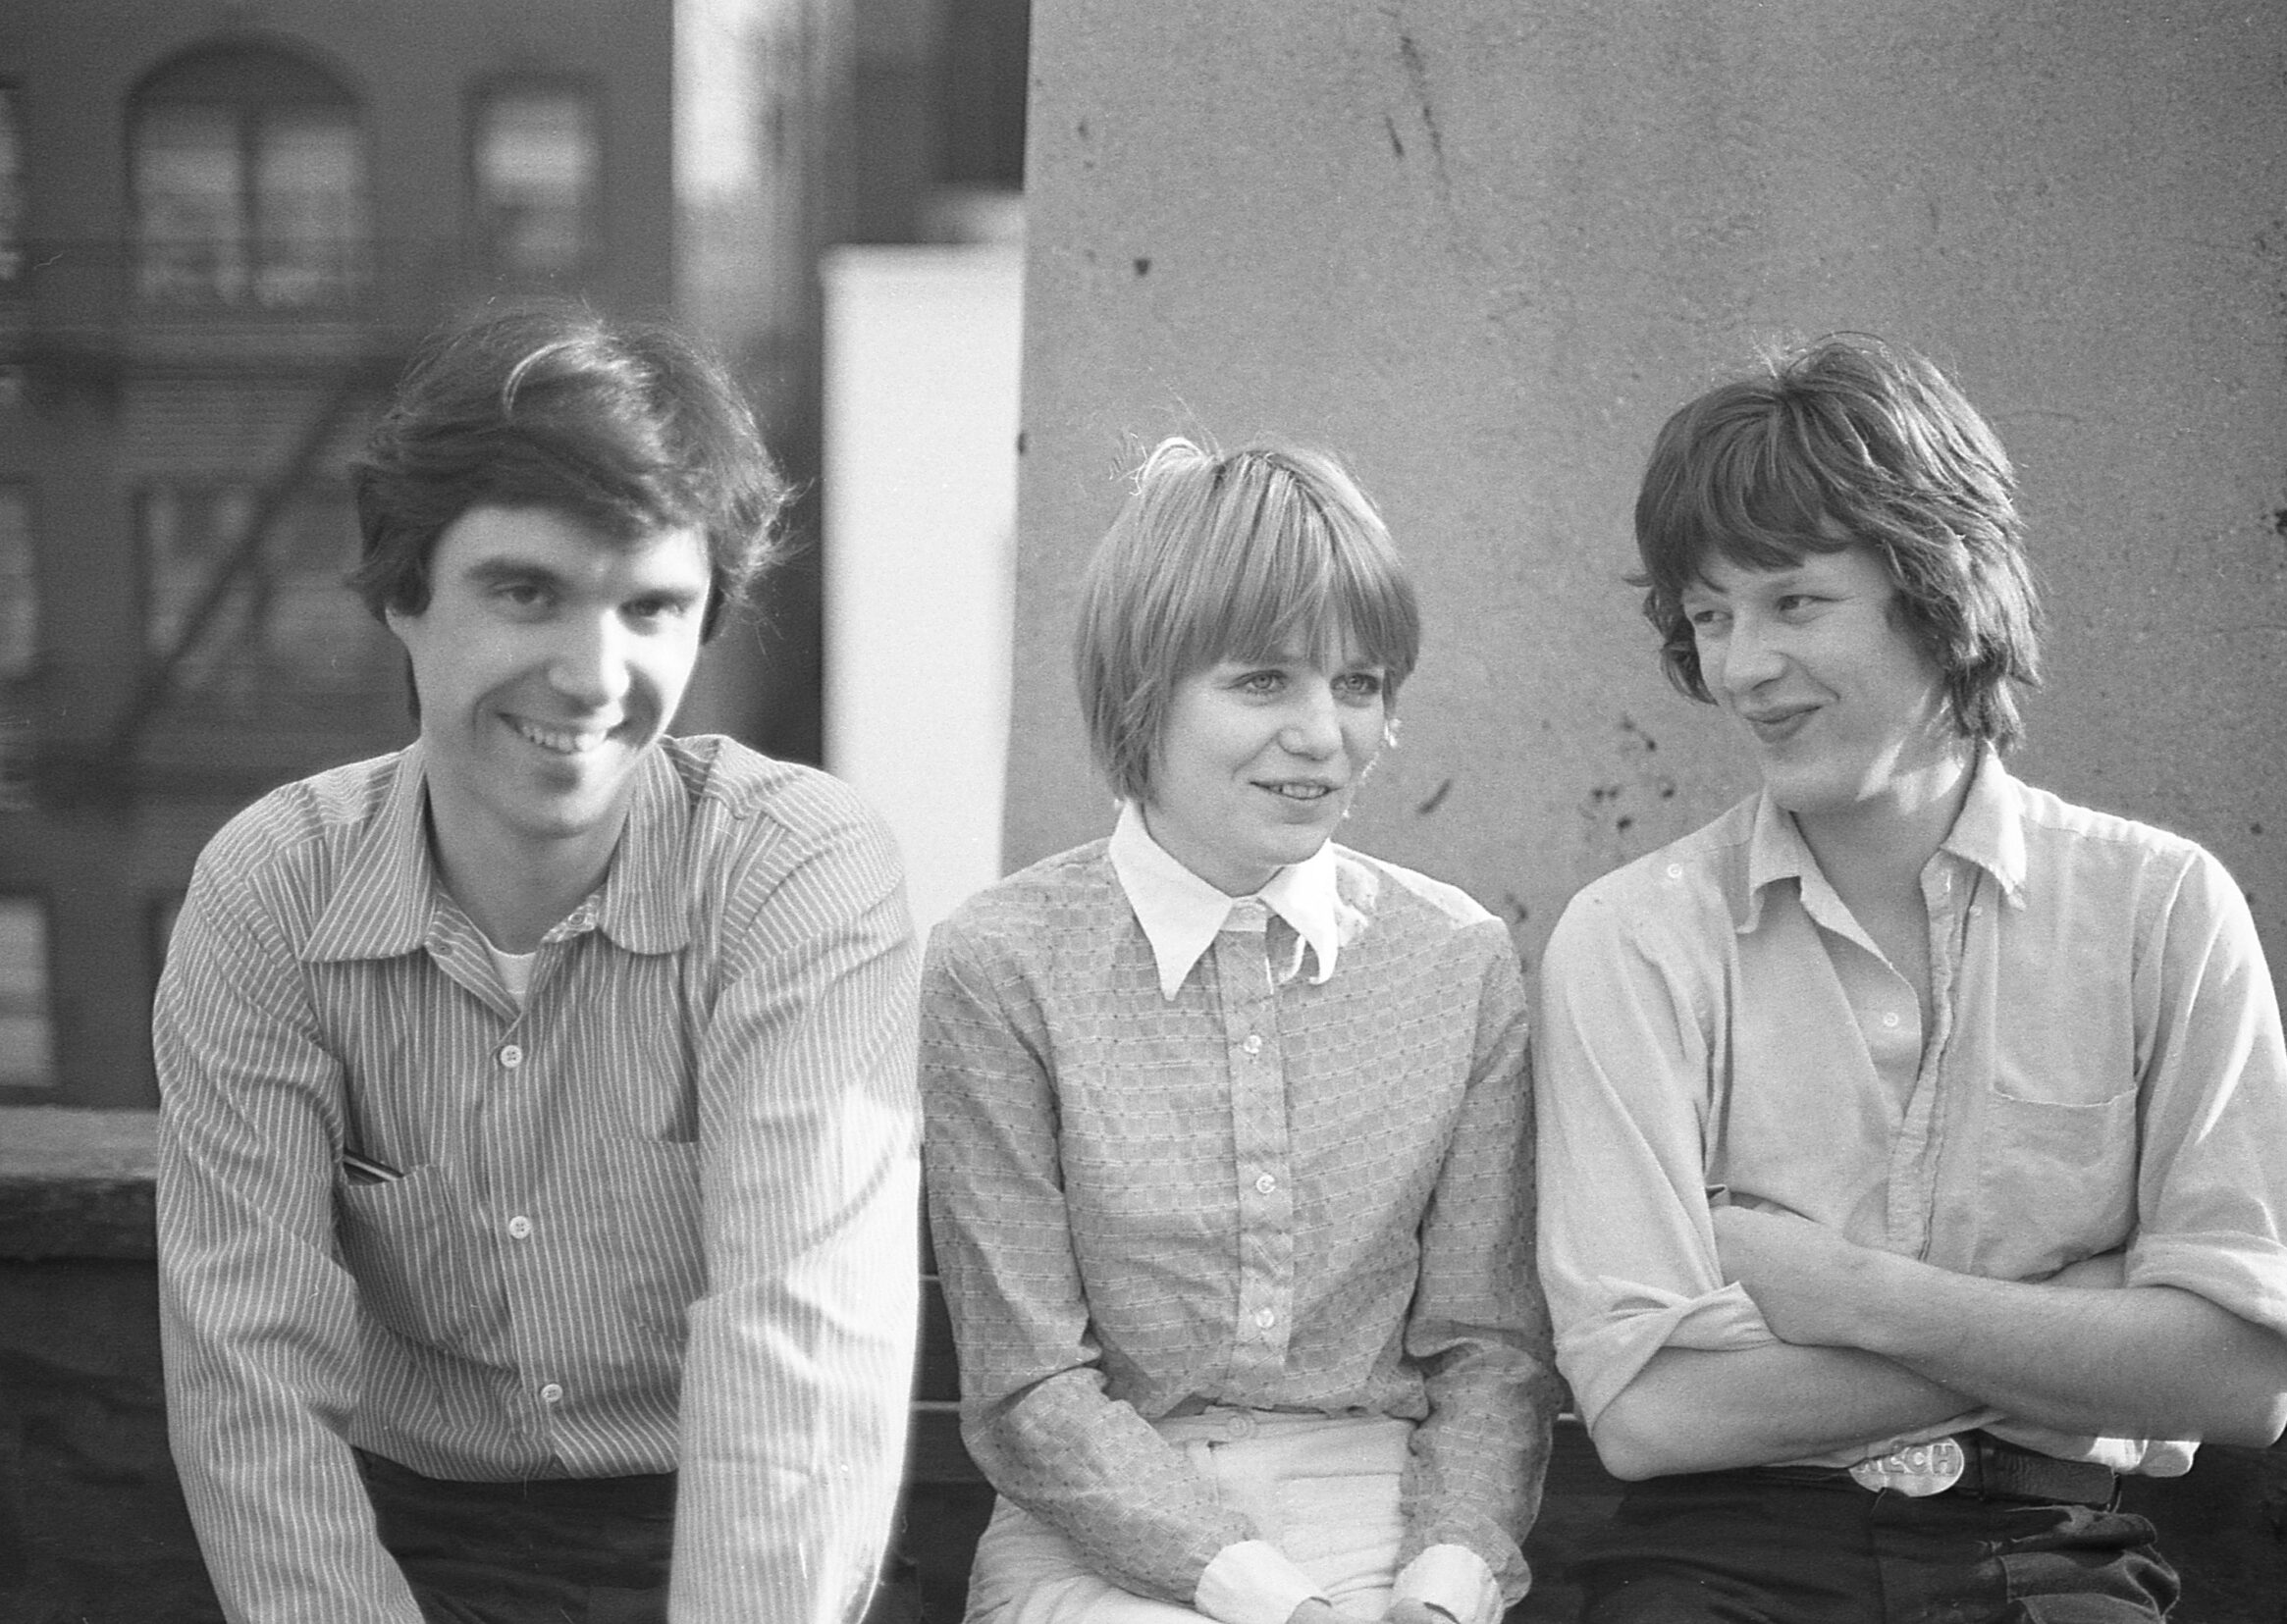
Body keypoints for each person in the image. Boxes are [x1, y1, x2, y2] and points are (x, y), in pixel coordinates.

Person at [1534, 337, 2287, 1623]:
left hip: (2052, 1542)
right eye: (1709, 614)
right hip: (1719, 1552)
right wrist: (2082, 1334)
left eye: (1793, 600)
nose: (1739, 664)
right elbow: (1653, 1412)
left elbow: (2240, 1371)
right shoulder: (1633, 940)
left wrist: (1848, 1295)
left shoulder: (2161, 909)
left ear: (1941, 583)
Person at [154, 301, 924, 1624]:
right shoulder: (272, 891)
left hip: (726, 1529)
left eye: (652, 606)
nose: (592, 671)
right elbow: (250, 1387)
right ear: (405, 593)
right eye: (527, 590)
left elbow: (801, 1354)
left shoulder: (797, 869)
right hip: (402, 1536)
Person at [922, 438, 1561, 1624]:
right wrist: (1281, 1608)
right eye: (1264, 680)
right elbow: (1030, 1391)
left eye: (1359, 684)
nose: (1324, 733)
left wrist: (1441, 1588)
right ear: (1140, 690)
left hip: (1389, 1517)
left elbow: (1490, 1350)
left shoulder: (1453, 958)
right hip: (1099, 1536)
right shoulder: (1001, 964)